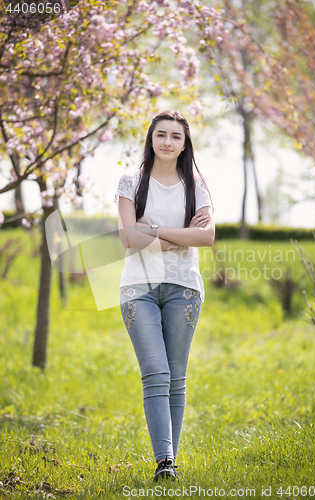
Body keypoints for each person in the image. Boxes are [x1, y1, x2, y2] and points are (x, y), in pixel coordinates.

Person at [113, 110, 215, 482]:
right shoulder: (131, 181)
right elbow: (128, 239)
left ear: (184, 144)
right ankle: (165, 462)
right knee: (155, 372)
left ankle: (170, 460)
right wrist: (178, 235)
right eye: (161, 135)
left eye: (176, 137)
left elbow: (205, 237)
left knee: (176, 376)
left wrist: (154, 231)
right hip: (137, 287)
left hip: (184, 288)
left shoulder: (196, 186)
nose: (168, 142)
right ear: (151, 139)